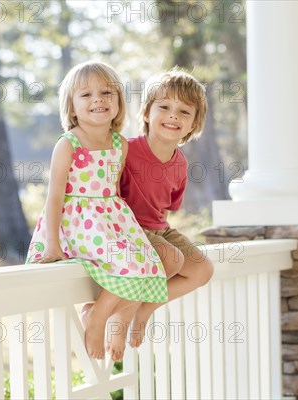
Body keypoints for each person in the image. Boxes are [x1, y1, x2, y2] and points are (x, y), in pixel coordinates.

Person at [26, 60, 169, 360]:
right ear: (72, 108)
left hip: (111, 217)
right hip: (78, 221)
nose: (98, 100)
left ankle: (98, 313)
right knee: (131, 265)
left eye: (107, 92)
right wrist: (53, 243)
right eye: (86, 95)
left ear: (118, 101)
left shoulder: (119, 144)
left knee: (152, 266)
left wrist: (128, 230)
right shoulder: (68, 144)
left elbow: (114, 190)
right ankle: (97, 318)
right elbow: (54, 198)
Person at [106, 67, 214, 360]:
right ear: (146, 113)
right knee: (170, 259)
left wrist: (159, 235)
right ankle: (122, 316)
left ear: (194, 124)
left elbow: (167, 207)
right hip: (128, 229)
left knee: (202, 269)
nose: (173, 116)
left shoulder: (180, 164)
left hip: (157, 228)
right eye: (164, 107)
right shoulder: (124, 150)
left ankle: (146, 306)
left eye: (184, 112)